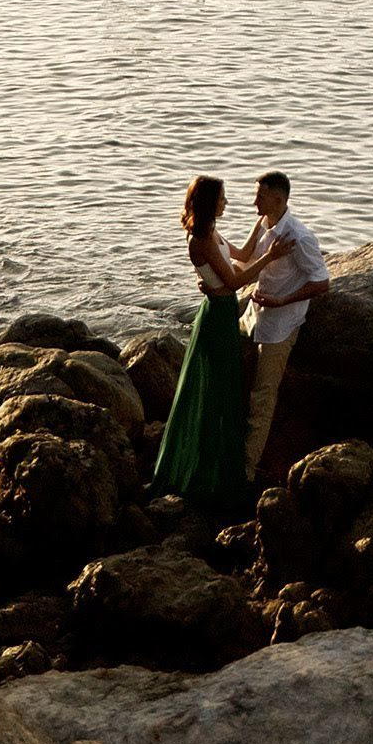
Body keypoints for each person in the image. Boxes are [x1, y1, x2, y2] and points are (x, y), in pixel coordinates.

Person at [151, 175, 251, 512]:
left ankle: (216, 469)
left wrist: (267, 227)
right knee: (213, 392)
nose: (226, 203)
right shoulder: (201, 239)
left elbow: (242, 254)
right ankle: (206, 474)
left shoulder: (212, 233)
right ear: (210, 202)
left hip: (221, 310)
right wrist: (272, 257)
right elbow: (235, 279)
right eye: (222, 198)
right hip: (218, 315)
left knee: (221, 389)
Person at [232, 168, 329, 482]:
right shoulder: (263, 222)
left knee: (263, 395)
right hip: (255, 315)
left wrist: (282, 301)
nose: (253, 202)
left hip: (281, 325)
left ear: (277, 198)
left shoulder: (299, 237)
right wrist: (210, 242)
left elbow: (321, 283)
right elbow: (245, 255)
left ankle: (245, 470)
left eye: (259, 196)